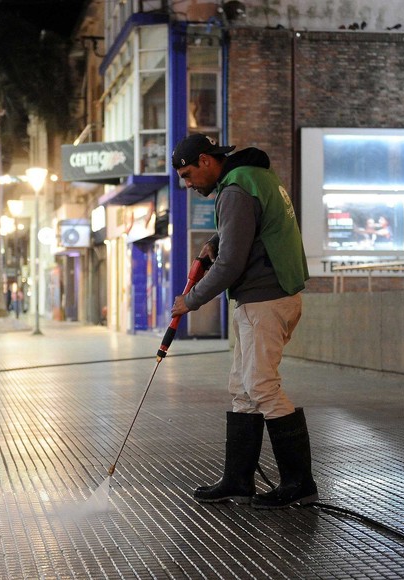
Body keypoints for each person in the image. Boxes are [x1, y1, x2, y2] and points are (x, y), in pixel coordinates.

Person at [170, 133, 318, 509]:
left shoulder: (234, 189)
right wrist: (218, 239)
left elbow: (231, 265)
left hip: (265, 298)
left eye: (188, 175)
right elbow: (253, 229)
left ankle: (299, 484)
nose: (188, 185)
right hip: (266, 296)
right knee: (242, 387)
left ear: (206, 160)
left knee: (261, 386)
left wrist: (190, 301)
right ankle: (238, 481)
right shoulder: (253, 176)